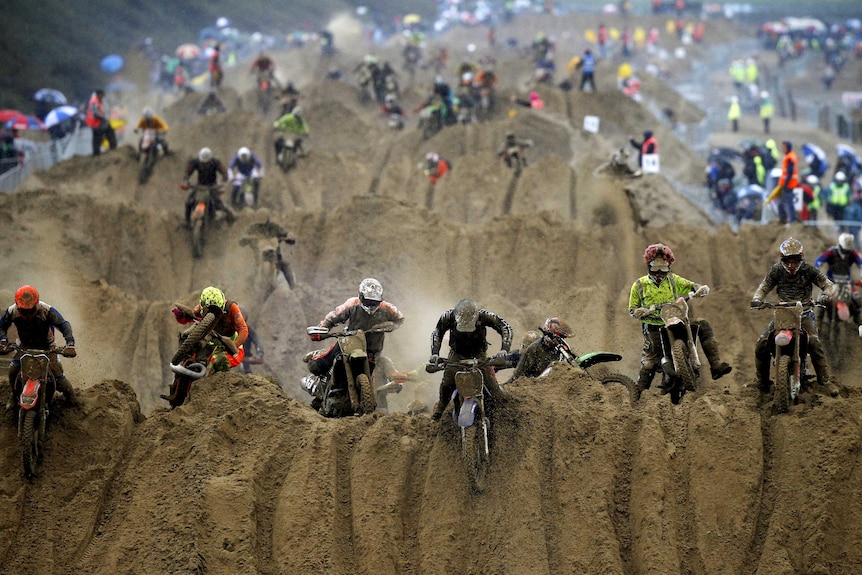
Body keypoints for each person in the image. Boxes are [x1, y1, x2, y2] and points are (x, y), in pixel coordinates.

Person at [629, 243, 732, 402]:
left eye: (663, 268)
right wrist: (640, 311)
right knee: (649, 363)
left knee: (703, 325)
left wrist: (700, 288)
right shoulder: (639, 285)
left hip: (674, 320)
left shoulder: (672, 279)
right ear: (648, 266)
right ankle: (637, 397)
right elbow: (632, 309)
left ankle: (716, 366)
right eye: (655, 268)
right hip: (653, 327)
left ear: (669, 266)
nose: (659, 273)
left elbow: (690, 285)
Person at [751, 238, 838, 396]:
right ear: (782, 260)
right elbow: (764, 286)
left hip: (804, 313)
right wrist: (757, 299)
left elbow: (828, 284)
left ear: (800, 259)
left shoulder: (809, 270)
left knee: (814, 342)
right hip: (782, 313)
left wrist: (826, 294)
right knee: (762, 343)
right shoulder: (776, 270)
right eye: (787, 261)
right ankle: (762, 381)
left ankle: (825, 381)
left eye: (795, 261)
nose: (791, 265)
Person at [428, 298, 513, 421]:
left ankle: (504, 415)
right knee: (447, 382)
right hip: (456, 355)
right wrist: (434, 353)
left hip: (479, 355)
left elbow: (505, 327)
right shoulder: (447, 316)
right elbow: (437, 333)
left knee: (494, 389)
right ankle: (441, 408)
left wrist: (504, 350)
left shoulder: (485, 315)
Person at [307, 278, 405, 380]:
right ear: (361, 296)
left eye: (374, 302)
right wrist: (322, 328)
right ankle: (315, 379)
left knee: (383, 380)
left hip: (373, 349)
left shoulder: (387, 308)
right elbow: (334, 316)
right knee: (318, 365)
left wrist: (391, 325)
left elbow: (400, 319)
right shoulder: (353, 304)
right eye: (368, 301)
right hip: (350, 343)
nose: (371, 305)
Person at [0, 285, 78, 410]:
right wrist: (3, 342)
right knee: (13, 370)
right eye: (24, 310)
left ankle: (73, 400)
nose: (27, 313)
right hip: (23, 347)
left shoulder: (46, 310)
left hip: (48, 347)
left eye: (30, 310)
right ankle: (14, 396)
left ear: (36, 304)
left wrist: (70, 343)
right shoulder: (12, 311)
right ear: (17, 305)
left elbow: (64, 324)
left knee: (58, 375)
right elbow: (1, 326)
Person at [172, 287, 248, 373]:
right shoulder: (200, 307)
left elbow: (243, 329)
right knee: (186, 336)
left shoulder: (232, 307)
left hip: (229, 344)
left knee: (219, 362)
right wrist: (180, 315)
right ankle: (183, 360)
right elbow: (188, 318)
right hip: (209, 338)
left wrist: (235, 345)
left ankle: (215, 382)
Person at [813, 233, 862, 330]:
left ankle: (858, 324)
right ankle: (818, 325)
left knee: (858, 300)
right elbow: (819, 260)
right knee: (821, 300)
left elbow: (860, 263)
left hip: (847, 282)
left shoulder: (852, 253)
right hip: (831, 282)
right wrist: (817, 270)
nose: (846, 252)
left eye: (848, 250)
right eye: (845, 250)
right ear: (840, 245)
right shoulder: (831, 252)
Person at [508, 317, 573, 383]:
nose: (560, 339)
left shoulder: (563, 346)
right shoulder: (534, 348)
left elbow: (574, 361)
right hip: (535, 385)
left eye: (562, 337)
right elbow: (518, 375)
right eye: (559, 337)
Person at [180, 147, 232, 225]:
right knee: (189, 202)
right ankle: (187, 222)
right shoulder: (196, 161)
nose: (205, 164)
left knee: (219, 204)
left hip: (212, 186)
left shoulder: (216, 162)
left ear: (210, 159)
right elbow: (188, 171)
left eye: (206, 163)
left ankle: (231, 218)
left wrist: (223, 181)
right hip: (199, 186)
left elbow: (224, 172)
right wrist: (185, 180)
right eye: (203, 163)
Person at [765, 140, 799, 224]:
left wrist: (785, 184)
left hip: (788, 184)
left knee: (788, 202)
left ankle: (792, 220)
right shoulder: (789, 156)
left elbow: (789, 173)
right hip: (785, 184)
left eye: (784, 147)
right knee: (781, 202)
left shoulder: (790, 158)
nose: (782, 149)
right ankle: (783, 218)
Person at [85, 89, 116, 156]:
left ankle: (96, 153)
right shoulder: (94, 101)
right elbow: (95, 113)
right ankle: (113, 148)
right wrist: (103, 118)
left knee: (96, 139)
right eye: (102, 95)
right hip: (96, 123)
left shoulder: (96, 100)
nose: (103, 97)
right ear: (99, 94)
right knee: (109, 132)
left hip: (95, 123)